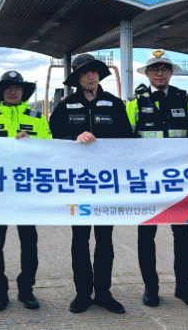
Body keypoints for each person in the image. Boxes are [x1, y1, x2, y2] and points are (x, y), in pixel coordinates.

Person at [49, 54, 134, 315]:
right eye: (85, 73)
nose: (90, 76)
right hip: (78, 183)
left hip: (107, 183)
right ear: (77, 78)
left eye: (94, 72)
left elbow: (128, 137)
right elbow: (54, 139)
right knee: (80, 240)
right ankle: (83, 293)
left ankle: (104, 293)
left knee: (105, 240)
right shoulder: (65, 105)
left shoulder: (115, 103)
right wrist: (75, 137)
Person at [126, 50, 188, 308]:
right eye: (155, 69)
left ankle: (184, 287)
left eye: (164, 69)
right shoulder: (134, 103)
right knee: (146, 237)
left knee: (182, 237)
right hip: (147, 182)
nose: (160, 73)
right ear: (147, 74)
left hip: (177, 181)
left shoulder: (186, 100)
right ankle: (151, 287)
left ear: (171, 73)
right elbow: (123, 140)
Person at [0, 71, 52, 312]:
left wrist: (31, 141)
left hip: (26, 189)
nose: (13, 91)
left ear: (23, 92)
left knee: (29, 241)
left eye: (17, 88)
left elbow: (50, 149)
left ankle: (26, 289)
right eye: (8, 88)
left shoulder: (37, 118)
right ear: (1, 92)